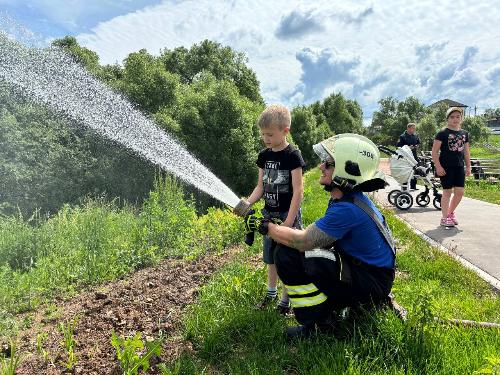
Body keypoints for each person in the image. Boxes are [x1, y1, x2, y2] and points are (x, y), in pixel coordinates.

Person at [244, 134, 396, 339]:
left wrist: (264, 226)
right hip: (369, 275)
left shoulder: (347, 209)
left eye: (329, 163)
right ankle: (332, 307)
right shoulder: (349, 199)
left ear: (346, 169)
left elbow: (301, 241)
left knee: (287, 255)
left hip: (370, 283)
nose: (321, 166)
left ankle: (318, 326)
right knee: (311, 256)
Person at [234, 104, 305, 315]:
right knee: (271, 257)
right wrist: (247, 204)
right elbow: (260, 187)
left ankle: (286, 300)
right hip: (269, 215)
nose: (266, 138)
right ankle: (271, 293)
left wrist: (290, 221)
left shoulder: (293, 155)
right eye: (263, 134)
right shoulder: (264, 156)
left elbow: (298, 191)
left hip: (287, 215)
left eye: (270, 134)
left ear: (285, 131)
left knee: (288, 259)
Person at [432, 107, 471, 227]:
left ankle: (450, 213)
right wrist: (438, 167)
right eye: (452, 117)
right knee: (447, 192)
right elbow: (434, 152)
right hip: (445, 167)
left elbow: (466, 152)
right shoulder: (442, 133)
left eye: (458, 117)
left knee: (460, 192)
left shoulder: (464, 134)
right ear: (447, 119)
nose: (455, 119)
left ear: (461, 118)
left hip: (459, 167)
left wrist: (468, 166)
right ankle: (444, 218)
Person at [397, 122, 421, 189]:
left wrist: (417, 146)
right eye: (413, 128)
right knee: (405, 171)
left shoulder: (416, 136)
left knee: (415, 170)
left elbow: (418, 143)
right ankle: (404, 186)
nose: (414, 130)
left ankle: (413, 186)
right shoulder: (402, 136)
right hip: (406, 157)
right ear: (408, 128)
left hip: (414, 156)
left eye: (414, 128)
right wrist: (408, 147)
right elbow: (398, 146)